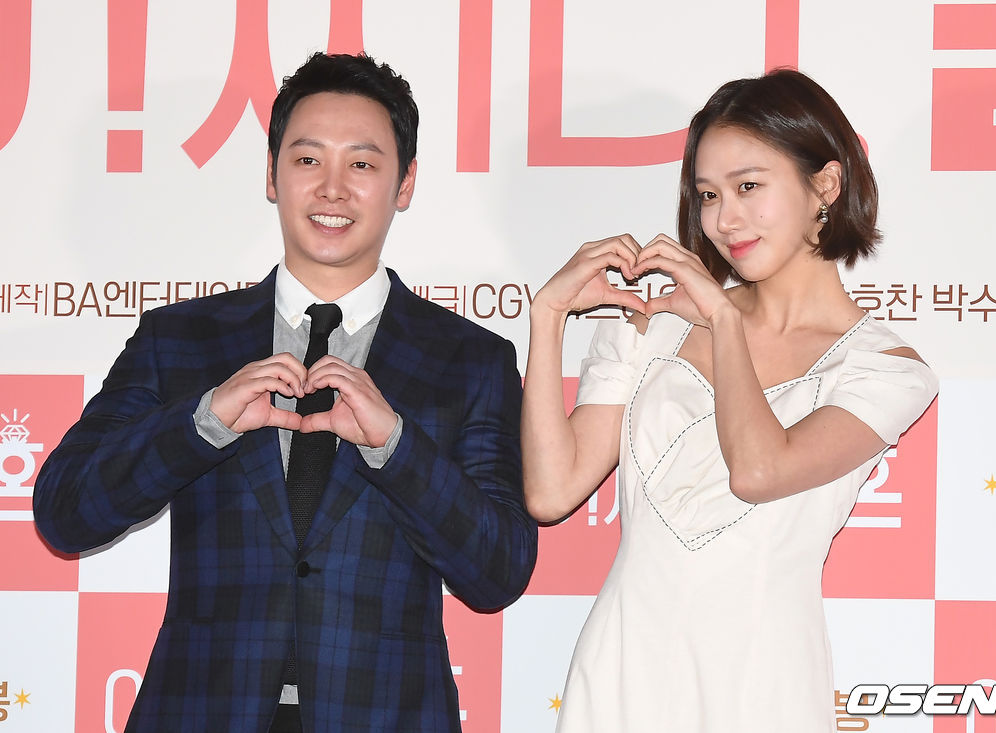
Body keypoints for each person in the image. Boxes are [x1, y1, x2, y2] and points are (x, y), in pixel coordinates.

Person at [33, 52, 536, 733]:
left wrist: (397, 447)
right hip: (200, 712)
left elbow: (499, 571)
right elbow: (64, 512)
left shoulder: (469, 359)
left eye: (362, 164)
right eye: (307, 159)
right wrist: (201, 424)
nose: (332, 188)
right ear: (271, 175)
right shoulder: (180, 340)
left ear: (406, 182)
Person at [522, 69, 938, 732]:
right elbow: (551, 492)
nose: (723, 220)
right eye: (708, 194)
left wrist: (723, 320)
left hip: (760, 683)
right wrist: (546, 317)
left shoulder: (884, 370)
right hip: (625, 669)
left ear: (826, 185)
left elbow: (760, 470)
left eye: (748, 187)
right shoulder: (652, 325)